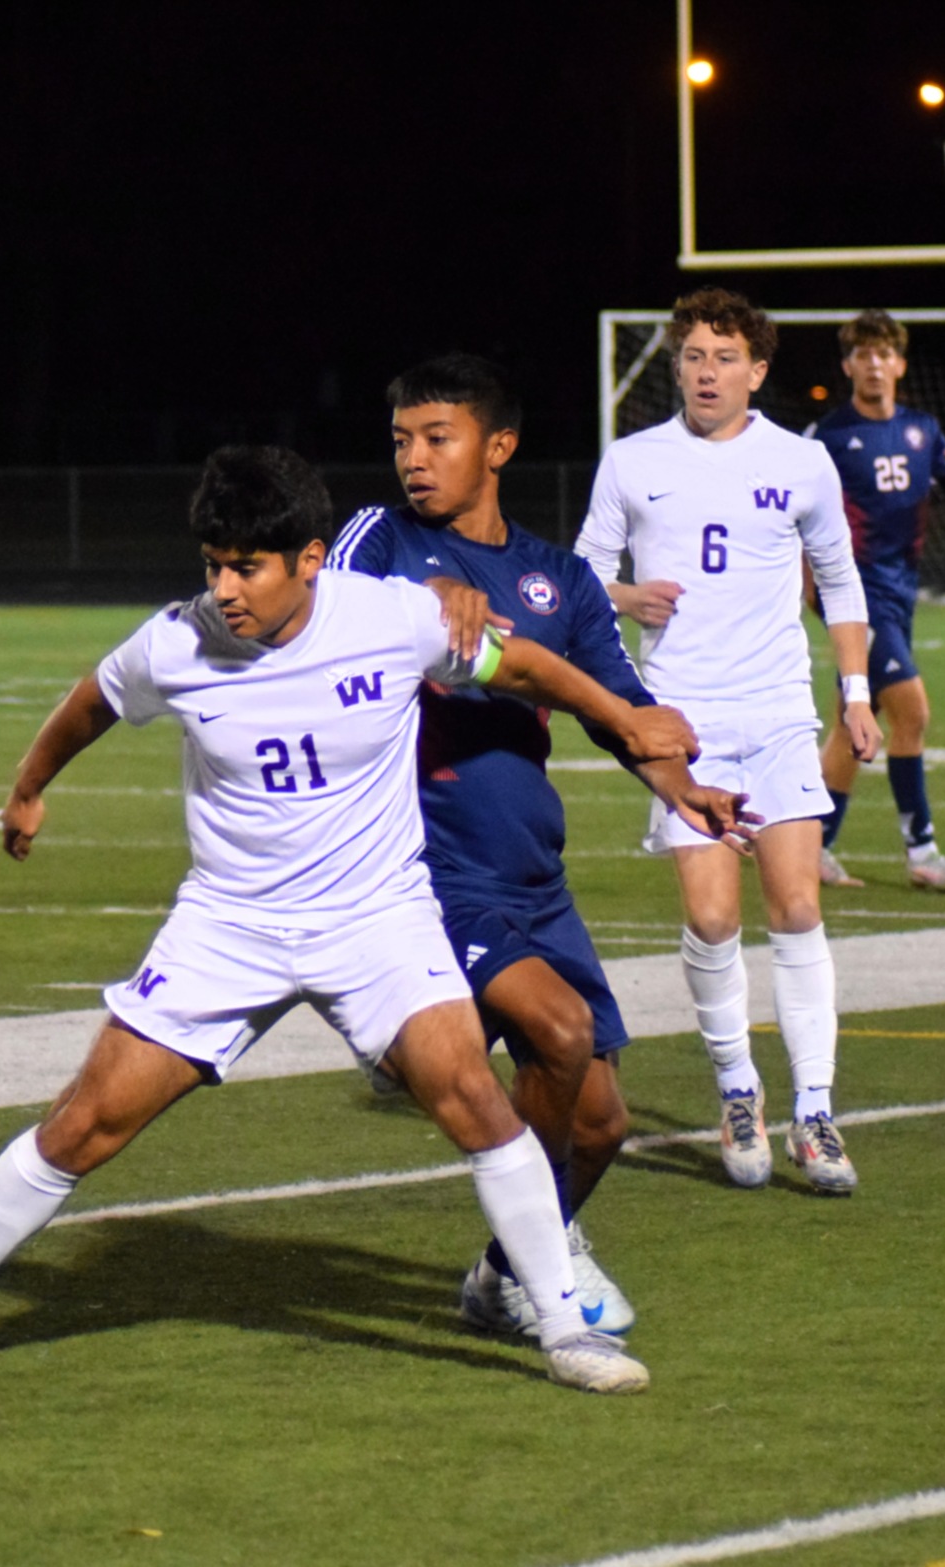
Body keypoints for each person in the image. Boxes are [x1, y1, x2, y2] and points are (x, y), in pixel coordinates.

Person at [0, 445, 729, 1394]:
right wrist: (27, 786)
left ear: (309, 558)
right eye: (211, 563)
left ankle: (559, 1329)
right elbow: (91, 702)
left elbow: (525, 666)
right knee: (83, 1124)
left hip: (376, 916)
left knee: (474, 1100)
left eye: (244, 565)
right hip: (231, 924)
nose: (224, 588)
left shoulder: (388, 617)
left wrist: (625, 723)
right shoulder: (176, 639)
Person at [327, 353, 751, 1339]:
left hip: (533, 875)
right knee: (556, 1033)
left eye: (437, 438)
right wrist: (425, 609)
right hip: (426, 870)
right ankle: (541, 1269)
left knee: (601, 1123)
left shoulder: (557, 577)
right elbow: (329, 626)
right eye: (401, 441)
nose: (413, 461)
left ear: (498, 446)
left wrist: (681, 786)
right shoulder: (376, 541)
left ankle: (504, 1268)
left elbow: (623, 714)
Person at [576, 287, 881, 1195]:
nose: (705, 372)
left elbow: (838, 577)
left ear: (757, 370)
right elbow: (582, 578)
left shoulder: (800, 462)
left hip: (781, 711)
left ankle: (816, 1112)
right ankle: (738, 1091)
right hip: (683, 719)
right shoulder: (632, 461)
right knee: (712, 917)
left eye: (723, 358)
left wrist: (855, 694)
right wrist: (629, 599)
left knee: (795, 908)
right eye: (692, 356)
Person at [805, 309, 945, 892]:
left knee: (849, 730)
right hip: (857, 598)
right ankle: (923, 853)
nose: (874, 364)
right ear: (847, 365)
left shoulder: (922, 430)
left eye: (884, 354)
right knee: (913, 712)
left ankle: (814, 847)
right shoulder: (825, 438)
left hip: (900, 593)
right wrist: (816, 595)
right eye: (863, 354)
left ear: (900, 364)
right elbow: (794, 520)